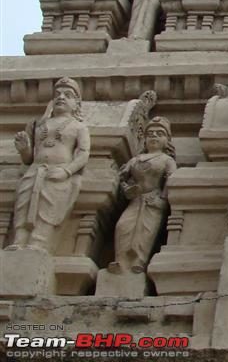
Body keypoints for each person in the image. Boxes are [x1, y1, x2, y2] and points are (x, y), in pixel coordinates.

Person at [7, 77, 90, 252]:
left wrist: (66, 171)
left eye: (68, 95)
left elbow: (83, 154)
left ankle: (38, 242)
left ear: (76, 104)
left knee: (47, 208)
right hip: (34, 171)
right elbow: (29, 158)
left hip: (57, 173)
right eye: (57, 94)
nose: (61, 97)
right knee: (24, 205)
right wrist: (24, 150)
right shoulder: (39, 124)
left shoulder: (78, 127)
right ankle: (20, 239)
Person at [109, 117, 176, 274]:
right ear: (144, 140)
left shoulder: (167, 160)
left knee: (146, 231)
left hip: (154, 199)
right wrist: (126, 189)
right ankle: (120, 260)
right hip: (136, 199)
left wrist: (163, 198)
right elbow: (121, 178)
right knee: (123, 226)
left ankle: (139, 261)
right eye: (150, 134)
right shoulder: (135, 160)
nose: (154, 136)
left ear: (167, 141)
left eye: (159, 134)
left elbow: (171, 180)